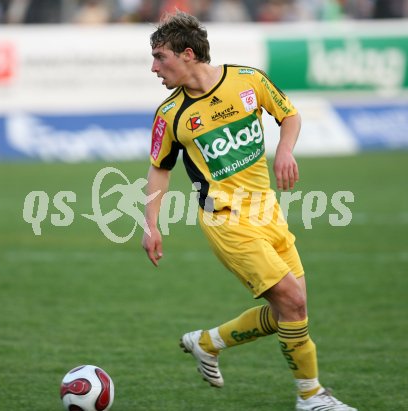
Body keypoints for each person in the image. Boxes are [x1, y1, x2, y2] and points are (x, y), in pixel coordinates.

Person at [142, 11, 357, 411]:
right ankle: (310, 396)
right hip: (226, 220)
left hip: (268, 212)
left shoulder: (247, 80)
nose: (154, 68)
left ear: (188, 54)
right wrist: (151, 225)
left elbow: (288, 114)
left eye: (160, 57)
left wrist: (285, 149)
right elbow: (159, 169)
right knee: (291, 302)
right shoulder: (170, 115)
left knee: (289, 313)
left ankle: (208, 343)